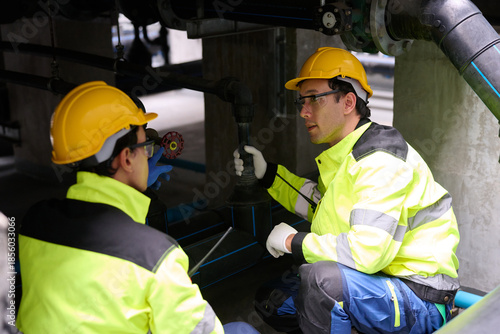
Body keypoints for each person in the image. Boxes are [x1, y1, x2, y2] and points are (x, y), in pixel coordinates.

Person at [234, 47, 460, 333]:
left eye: (314, 99)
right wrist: (268, 175)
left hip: (419, 295)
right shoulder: (348, 154)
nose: (304, 111)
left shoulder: (379, 160)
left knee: (320, 281)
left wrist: (293, 241)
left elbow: (366, 252)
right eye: (301, 101)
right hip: (379, 280)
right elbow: (321, 205)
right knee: (274, 301)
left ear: (349, 102)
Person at [17, 81, 258, 334]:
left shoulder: (34, 221)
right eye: (146, 147)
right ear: (126, 158)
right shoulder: (154, 255)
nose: (149, 155)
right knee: (242, 330)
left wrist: (132, 191)